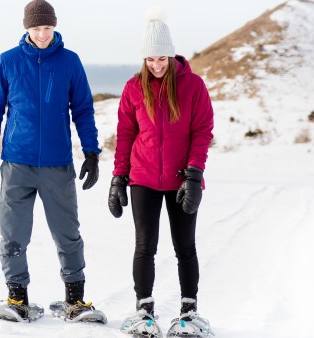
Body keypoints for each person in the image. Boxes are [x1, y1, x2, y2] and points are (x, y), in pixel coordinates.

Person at [0, 0, 102, 323]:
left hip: (57, 164)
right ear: (27, 29)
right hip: (16, 162)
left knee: (67, 234)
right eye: (36, 28)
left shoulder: (70, 62)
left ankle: (75, 299)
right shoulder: (8, 62)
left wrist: (91, 153)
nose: (43, 34)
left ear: (55, 26)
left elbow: (84, 110)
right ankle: (17, 297)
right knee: (13, 233)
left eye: (47, 28)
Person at [109, 11, 215, 337]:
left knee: (185, 247)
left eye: (162, 58)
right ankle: (144, 311)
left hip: (182, 179)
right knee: (145, 246)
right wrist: (118, 178)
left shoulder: (193, 86)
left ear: (171, 55)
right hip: (143, 178)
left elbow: (202, 131)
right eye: (150, 59)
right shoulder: (133, 88)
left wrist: (194, 174)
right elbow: (126, 134)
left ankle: (189, 312)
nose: (156, 65)